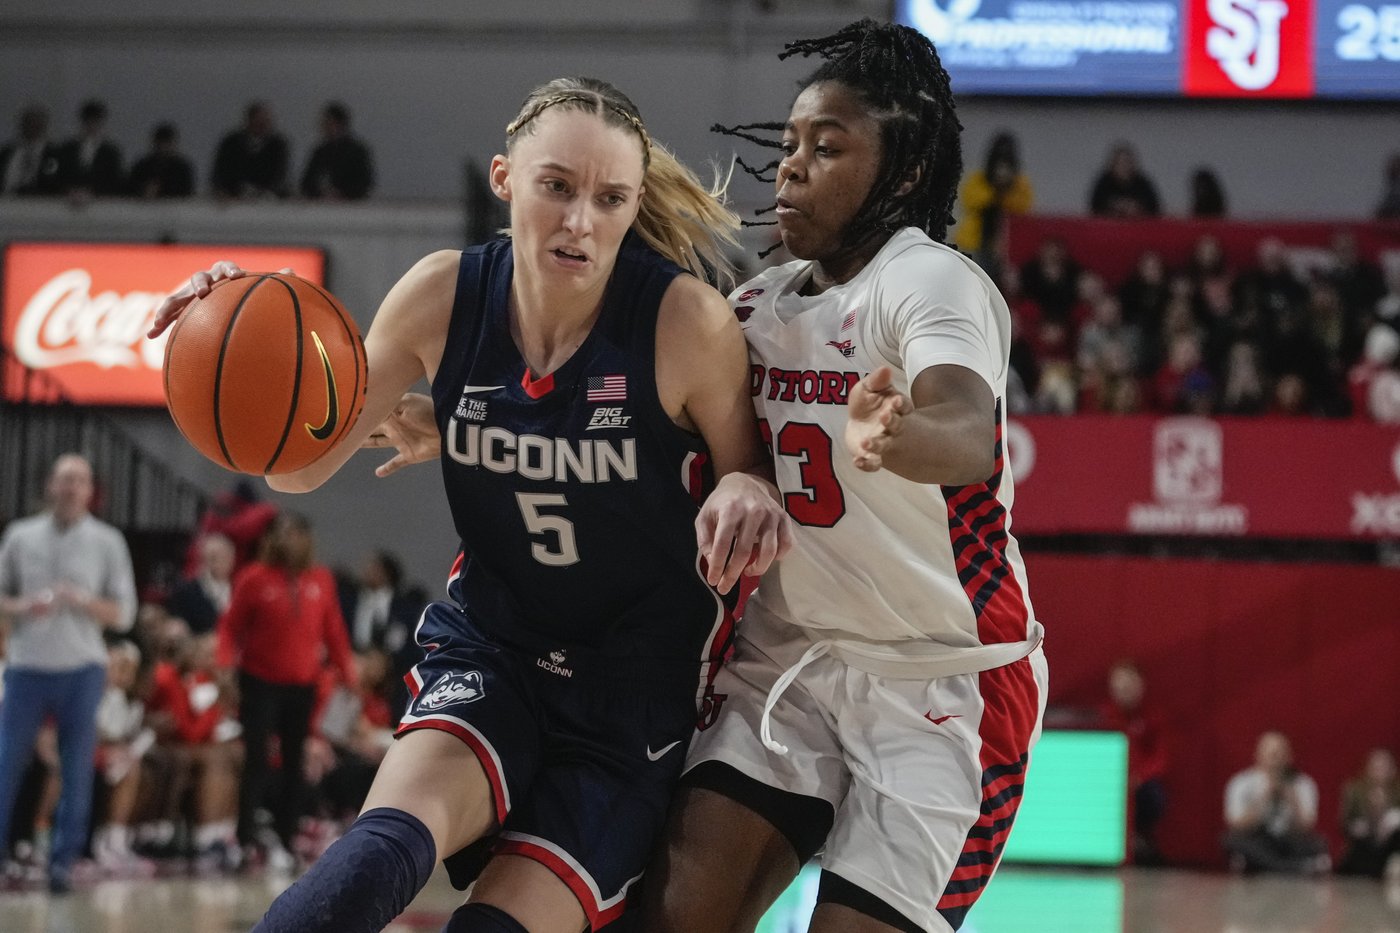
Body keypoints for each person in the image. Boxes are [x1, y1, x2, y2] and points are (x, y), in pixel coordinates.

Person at [148, 75, 790, 933]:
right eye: (556, 186)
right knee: (372, 858)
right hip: (495, 646)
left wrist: (748, 485)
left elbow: (750, 469)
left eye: (610, 199)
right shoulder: (443, 295)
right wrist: (232, 321)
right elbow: (298, 467)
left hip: (633, 691)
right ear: (503, 179)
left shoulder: (683, 324)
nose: (579, 221)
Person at [631, 20, 1045, 933]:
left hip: (945, 681)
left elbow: (969, 432)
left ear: (900, 175)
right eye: (787, 146)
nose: (791, 167)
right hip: (790, 663)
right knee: (671, 915)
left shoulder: (928, 280)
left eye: (828, 147)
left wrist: (895, 435)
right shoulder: (752, 309)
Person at [0, 453, 138, 892]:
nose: (71, 488)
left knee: (77, 769)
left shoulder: (108, 541)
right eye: (64, 479)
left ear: (90, 490)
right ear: (50, 485)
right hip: (27, 667)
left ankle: (62, 864)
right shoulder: (21, 535)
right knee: (7, 764)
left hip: (82, 669)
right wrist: (25, 606)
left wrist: (82, 600)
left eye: (79, 481)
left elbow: (124, 613)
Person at [215, 511, 354, 873]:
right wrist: (225, 666)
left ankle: (286, 836)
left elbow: (334, 631)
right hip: (260, 681)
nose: (288, 540)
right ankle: (245, 839)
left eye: (295, 534)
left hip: (302, 685)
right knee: (257, 759)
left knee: (295, 762)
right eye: (282, 534)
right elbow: (230, 628)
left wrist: (348, 674)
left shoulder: (321, 580)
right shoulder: (253, 578)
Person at [1222, 730, 1330, 875]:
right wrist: (1263, 798)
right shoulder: (1241, 782)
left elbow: (1307, 826)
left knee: (1319, 843)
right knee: (1230, 840)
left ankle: (1262, 865)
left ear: (1289, 757)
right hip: (1258, 837)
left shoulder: (1302, 783)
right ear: (1258, 755)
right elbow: (1236, 825)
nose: (1275, 758)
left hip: (1289, 838)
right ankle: (1294, 867)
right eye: (1271, 753)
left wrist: (1292, 800)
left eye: (1280, 753)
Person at [1097, 660, 1168, 865]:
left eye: (1128, 686)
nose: (1123, 691)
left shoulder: (1153, 717)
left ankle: (1141, 839)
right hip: (1108, 784)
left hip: (1140, 784)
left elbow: (1161, 758)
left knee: (1154, 796)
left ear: (1140, 686)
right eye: (1119, 686)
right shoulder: (1104, 716)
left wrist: (1139, 777)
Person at [952, 131, 1032, 279]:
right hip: (975, 242)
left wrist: (1007, 188)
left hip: (1006, 244)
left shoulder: (1021, 183)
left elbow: (1023, 209)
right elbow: (971, 202)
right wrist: (995, 188)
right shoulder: (977, 179)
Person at [1338, 747, 1400, 879]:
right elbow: (1346, 823)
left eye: (1383, 767)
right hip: (1364, 845)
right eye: (1375, 767)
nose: (1378, 771)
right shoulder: (1354, 790)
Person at [210, 100, 290, 200]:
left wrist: (264, 192)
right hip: (233, 197)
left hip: (268, 199)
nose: (263, 125)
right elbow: (220, 171)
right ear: (249, 120)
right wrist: (223, 190)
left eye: (267, 121)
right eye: (259, 121)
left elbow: (280, 174)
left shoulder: (278, 145)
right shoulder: (231, 142)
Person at [300, 101, 375, 201]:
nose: (325, 126)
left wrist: (341, 192)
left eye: (329, 122)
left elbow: (365, 183)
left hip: (350, 207)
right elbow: (306, 182)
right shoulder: (320, 151)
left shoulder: (357, 151)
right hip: (320, 204)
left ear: (341, 124)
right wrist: (320, 191)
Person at [165, 532, 235, 636]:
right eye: (213, 557)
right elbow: (178, 624)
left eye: (225, 556)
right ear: (203, 559)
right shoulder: (186, 591)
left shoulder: (240, 588)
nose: (219, 561)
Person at [54, 99, 124, 198]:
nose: (91, 126)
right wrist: (69, 190)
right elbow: (58, 176)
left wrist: (93, 192)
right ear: (82, 123)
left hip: (101, 203)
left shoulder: (111, 152)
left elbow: (116, 180)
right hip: (68, 200)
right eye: (88, 122)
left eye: (95, 122)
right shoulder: (66, 149)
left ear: (101, 123)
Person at [0, 105, 62, 196]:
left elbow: (52, 180)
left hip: (37, 204)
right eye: (28, 123)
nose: (31, 127)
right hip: (6, 202)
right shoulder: (6, 153)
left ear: (44, 126)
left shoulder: (54, 154)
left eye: (36, 123)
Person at [1089, 142, 1161, 218]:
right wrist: (1115, 206)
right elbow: (1094, 207)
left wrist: (1138, 207)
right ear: (1112, 165)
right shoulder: (1103, 183)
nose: (1124, 166)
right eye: (1120, 163)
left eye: (1127, 162)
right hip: (1109, 227)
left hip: (1138, 226)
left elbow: (1155, 208)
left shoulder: (1142, 183)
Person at [127, 121, 196, 199]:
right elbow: (130, 188)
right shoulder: (142, 166)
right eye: (160, 143)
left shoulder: (182, 168)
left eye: (167, 143)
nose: (163, 147)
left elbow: (187, 192)